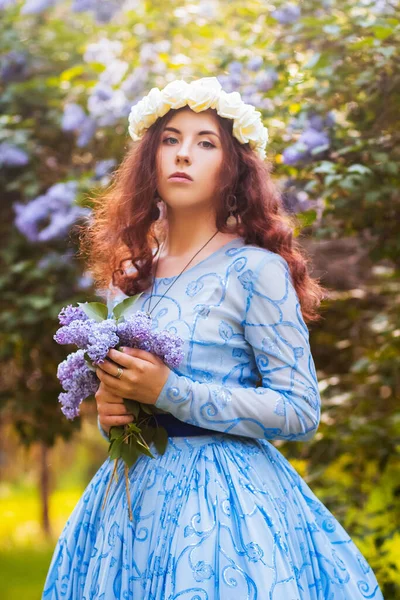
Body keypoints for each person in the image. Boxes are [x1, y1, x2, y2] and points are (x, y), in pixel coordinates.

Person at [42, 77, 384, 599]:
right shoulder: (129, 274)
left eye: (206, 142)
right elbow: (130, 401)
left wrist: (169, 392)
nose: (184, 154)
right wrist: (112, 405)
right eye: (170, 139)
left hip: (224, 511)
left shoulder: (256, 270)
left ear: (232, 168)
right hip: (129, 504)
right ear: (149, 159)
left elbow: (298, 409)